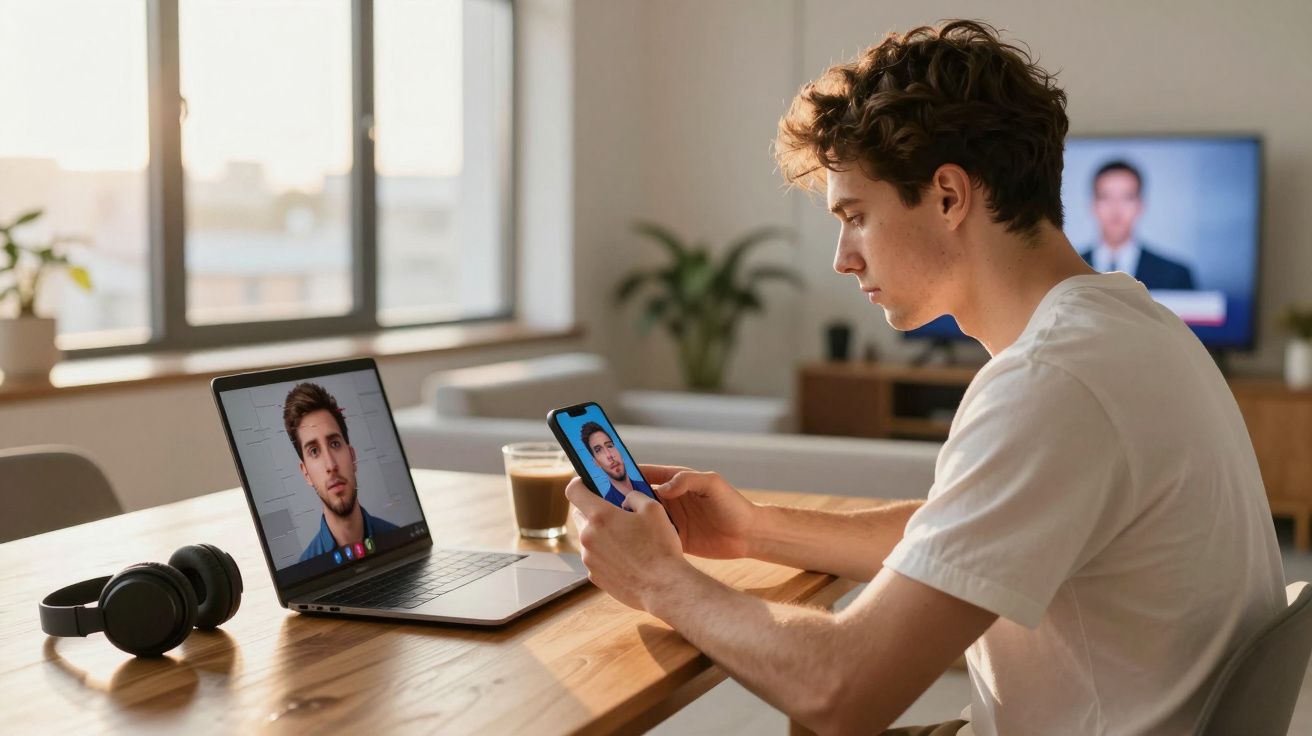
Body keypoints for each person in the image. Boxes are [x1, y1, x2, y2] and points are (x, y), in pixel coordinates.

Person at [565, 20, 1283, 735]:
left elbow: (842, 690)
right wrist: (755, 529)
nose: (843, 258)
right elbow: (962, 535)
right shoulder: (1132, 326)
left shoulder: (1053, 382)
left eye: (855, 217)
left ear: (947, 196)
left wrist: (659, 578)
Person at [284, 382, 398, 563]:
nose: (331, 465)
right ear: (306, 474)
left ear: (352, 456)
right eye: (314, 451)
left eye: (334, 444)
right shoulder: (308, 567)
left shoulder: (396, 540)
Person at [1078, 160, 1197, 290]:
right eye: (1105, 197)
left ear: (1141, 205)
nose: (1116, 209)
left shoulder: (1175, 276)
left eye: (1127, 197)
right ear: (1092, 205)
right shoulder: (1063, 273)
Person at [579, 420, 655, 506]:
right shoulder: (608, 506)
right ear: (596, 462)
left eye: (610, 446)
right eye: (598, 450)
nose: (609, 455)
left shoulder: (647, 488)